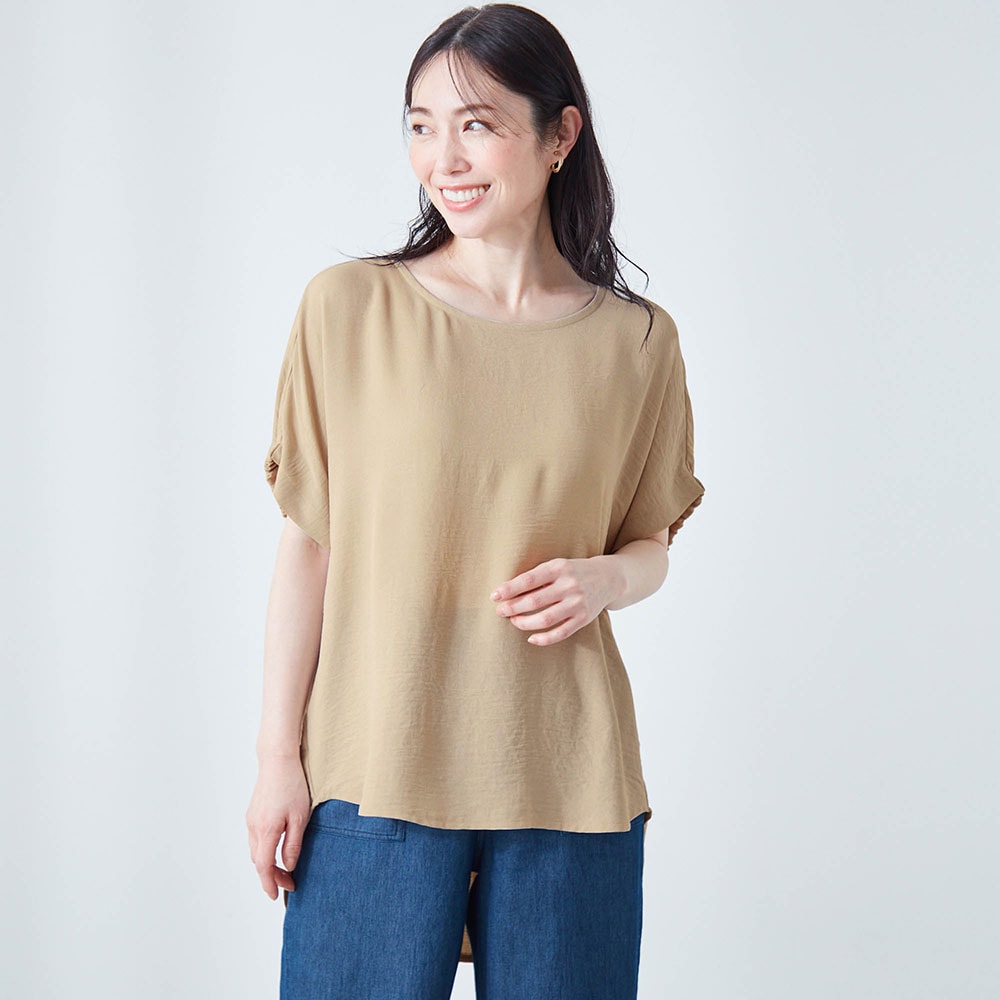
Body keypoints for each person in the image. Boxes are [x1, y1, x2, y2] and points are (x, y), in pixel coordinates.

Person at [245, 4, 706, 997]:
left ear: (559, 136)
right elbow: (309, 546)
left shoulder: (635, 342)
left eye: (476, 124)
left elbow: (651, 541)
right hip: (374, 766)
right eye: (421, 125)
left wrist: (606, 579)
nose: (442, 158)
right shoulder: (349, 309)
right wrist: (278, 757)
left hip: (566, 777)